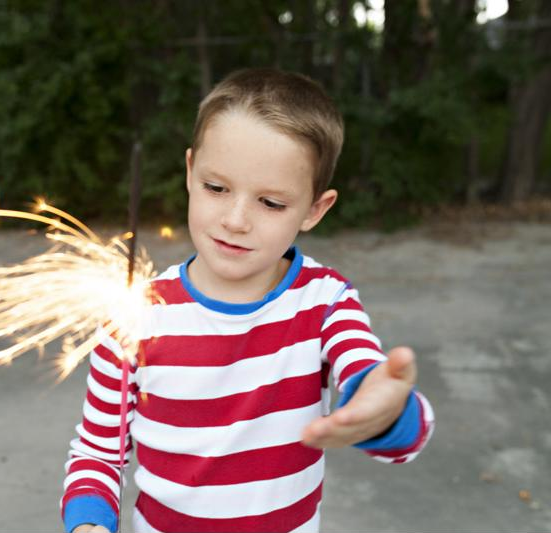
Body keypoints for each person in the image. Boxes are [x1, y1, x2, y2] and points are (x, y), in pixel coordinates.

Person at [60, 68, 435, 533]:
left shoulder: (326, 303)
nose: (235, 220)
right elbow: (96, 455)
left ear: (315, 209)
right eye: (216, 188)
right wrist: (89, 524)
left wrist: (386, 409)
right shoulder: (134, 317)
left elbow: (385, 408)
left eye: (270, 203)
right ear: (190, 171)